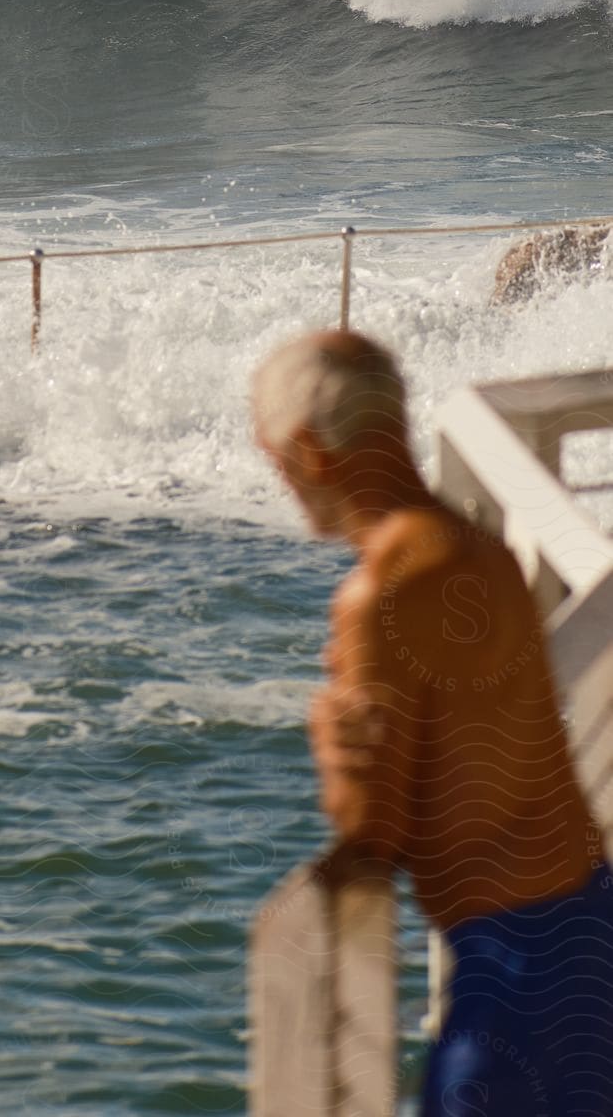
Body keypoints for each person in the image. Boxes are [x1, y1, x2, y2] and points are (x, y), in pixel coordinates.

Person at [253, 328, 613, 1114]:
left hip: (509, 963)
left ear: (312, 453)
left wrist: (331, 740)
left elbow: (372, 832)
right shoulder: (481, 551)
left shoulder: (380, 594)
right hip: (588, 925)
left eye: (271, 454)